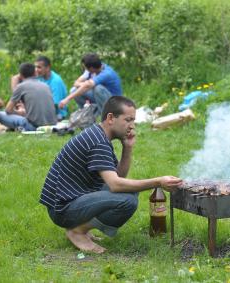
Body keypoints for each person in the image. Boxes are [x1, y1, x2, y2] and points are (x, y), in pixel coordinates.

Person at [40, 96, 182, 253]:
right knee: (127, 202)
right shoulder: (98, 142)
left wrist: (127, 148)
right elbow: (115, 185)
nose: (132, 126)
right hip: (62, 209)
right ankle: (77, 231)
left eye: (133, 121)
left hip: (66, 201)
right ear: (110, 118)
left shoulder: (98, 135)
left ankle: (82, 228)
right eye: (127, 120)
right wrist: (158, 182)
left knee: (130, 191)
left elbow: (117, 177)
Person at [0, 63, 57, 131]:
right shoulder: (45, 85)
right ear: (35, 73)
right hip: (52, 124)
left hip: (33, 126)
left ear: (21, 75)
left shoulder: (21, 86)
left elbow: (8, 110)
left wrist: (20, 113)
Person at [59, 53, 122, 117]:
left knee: (98, 88)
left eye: (85, 68)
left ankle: (104, 116)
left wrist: (67, 99)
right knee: (74, 90)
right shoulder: (95, 69)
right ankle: (87, 114)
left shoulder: (106, 73)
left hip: (113, 101)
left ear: (91, 68)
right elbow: (77, 83)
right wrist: (85, 84)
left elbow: (88, 86)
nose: (85, 69)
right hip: (100, 98)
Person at [35, 55, 68, 120]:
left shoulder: (55, 81)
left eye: (39, 67)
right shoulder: (39, 77)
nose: (36, 69)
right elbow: (18, 77)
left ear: (48, 68)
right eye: (35, 67)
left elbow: (55, 104)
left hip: (57, 112)